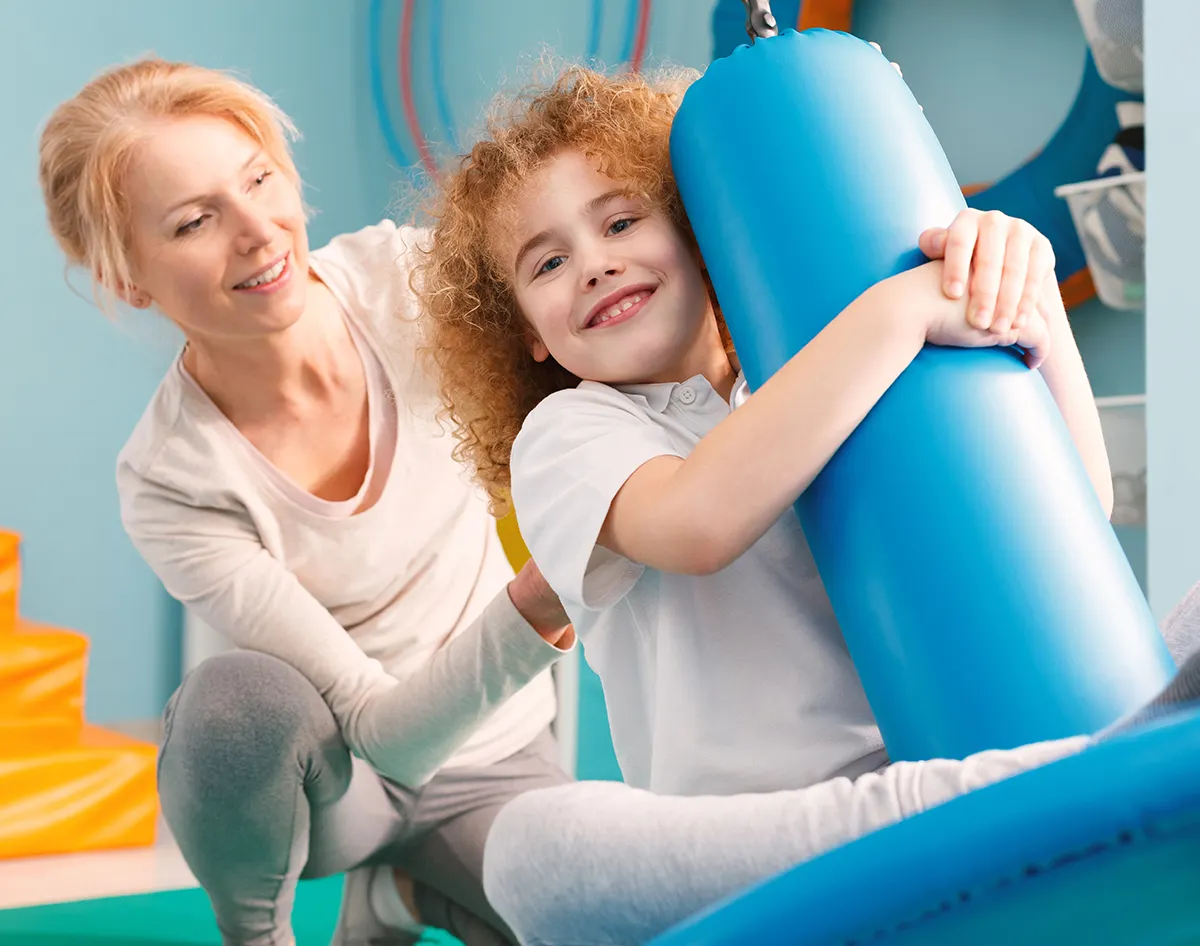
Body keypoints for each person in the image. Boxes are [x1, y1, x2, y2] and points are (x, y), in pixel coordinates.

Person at [414, 64, 1200, 944]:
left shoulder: (821, 367)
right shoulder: (566, 436)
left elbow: (1073, 513)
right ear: (526, 332)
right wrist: (905, 308)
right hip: (781, 844)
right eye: (549, 263)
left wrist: (1023, 291)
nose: (595, 265)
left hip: (961, 747)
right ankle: (1084, 785)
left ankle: (1074, 785)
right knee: (532, 848)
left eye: (623, 221)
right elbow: (698, 521)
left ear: (700, 236)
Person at [37, 58, 577, 946]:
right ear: (130, 280)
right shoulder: (171, 477)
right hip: (341, 785)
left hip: (497, 758)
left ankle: (399, 898)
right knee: (230, 704)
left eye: (258, 180)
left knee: (602, 924)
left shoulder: (412, 282)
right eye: (195, 221)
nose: (258, 232)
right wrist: (545, 601)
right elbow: (383, 734)